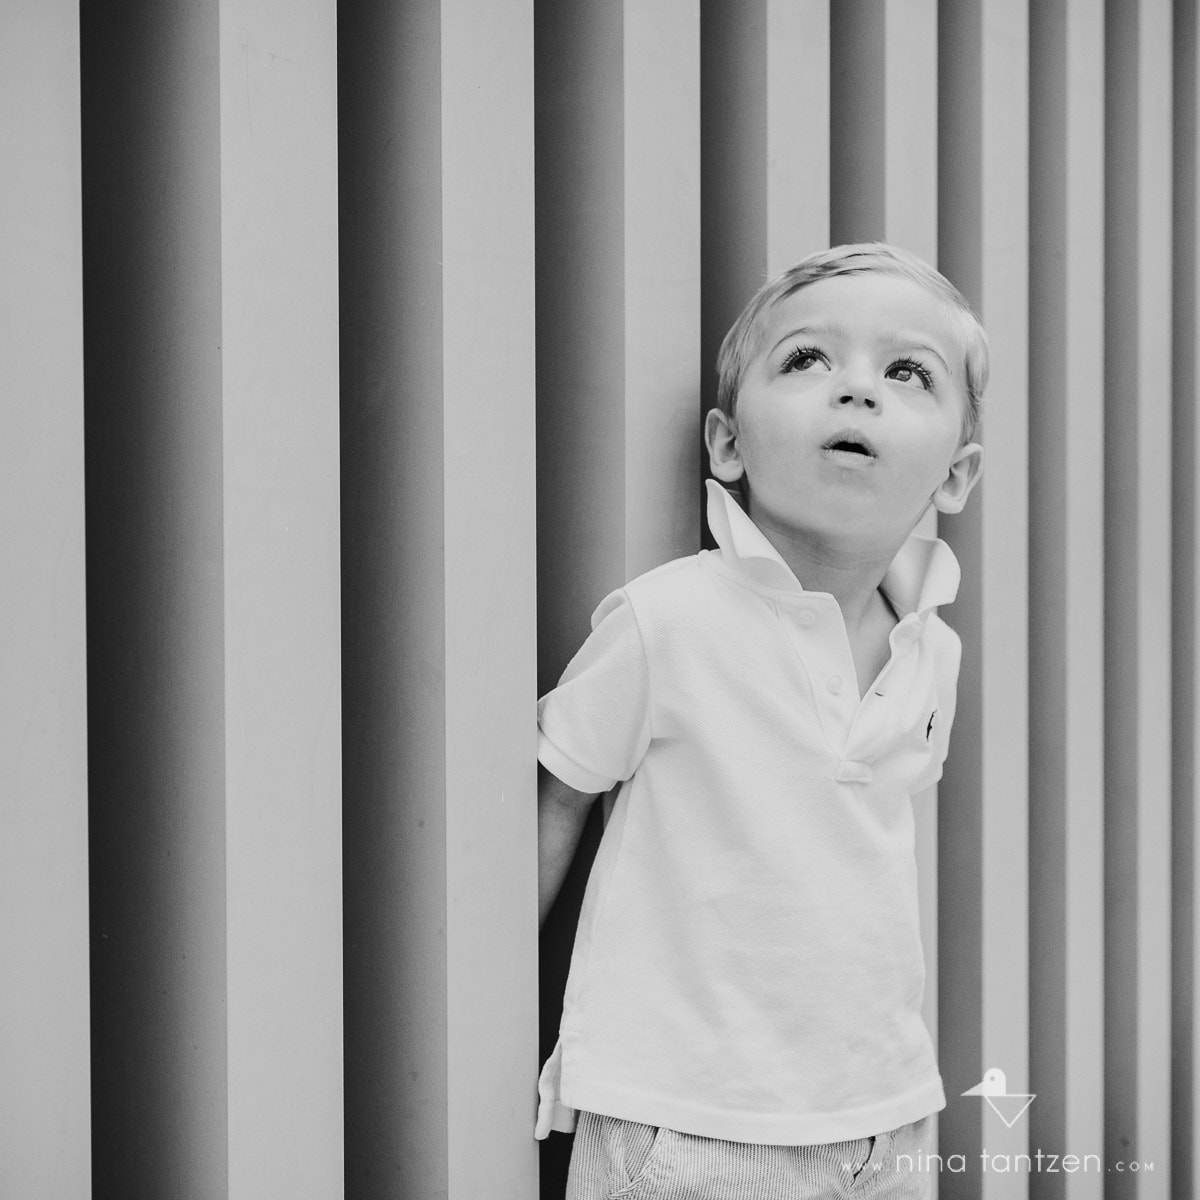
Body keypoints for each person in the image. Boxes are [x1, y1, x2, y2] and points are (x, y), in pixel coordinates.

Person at [536, 243, 986, 1199]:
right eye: (808, 360)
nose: (856, 391)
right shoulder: (669, 621)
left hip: (885, 1121)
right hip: (684, 1125)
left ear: (956, 477)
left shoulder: (933, 652)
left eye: (907, 372)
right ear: (728, 445)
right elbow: (557, 800)